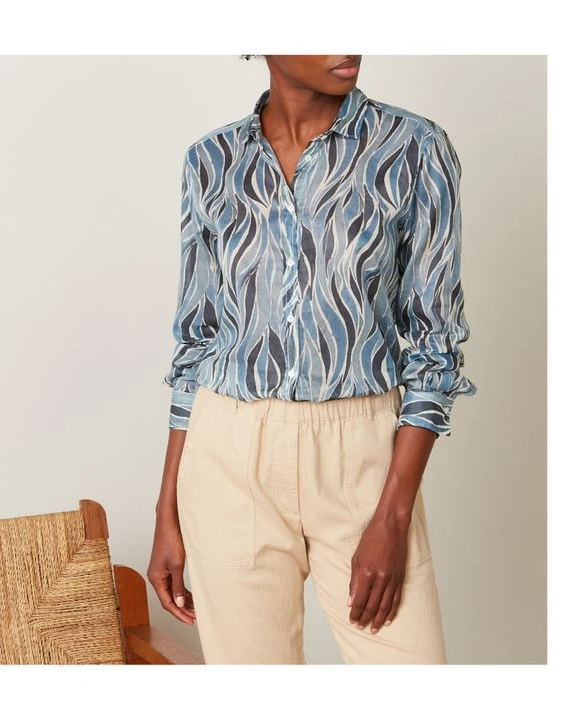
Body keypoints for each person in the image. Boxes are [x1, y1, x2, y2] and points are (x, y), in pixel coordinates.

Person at [148, 54, 477, 664]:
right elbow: (196, 342)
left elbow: (434, 348)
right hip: (227, 453)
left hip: (362, 453)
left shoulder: (413, 148)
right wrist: (166, 508)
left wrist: (392, 516)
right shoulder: (211, 161)